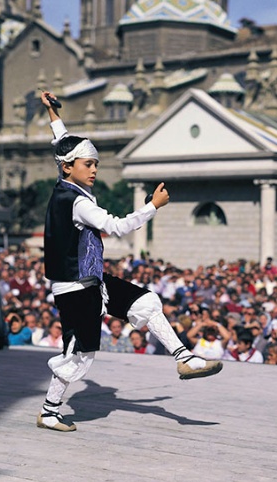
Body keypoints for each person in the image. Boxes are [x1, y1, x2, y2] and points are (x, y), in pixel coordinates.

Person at [36, 91, 223, 432]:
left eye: (95, 164)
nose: (94, 170)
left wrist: (51, 112)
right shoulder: (78, 203)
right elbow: (117, 226)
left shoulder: (67, 182)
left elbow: (62, 141)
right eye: (88, 164)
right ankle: (50, 410)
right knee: (78, 356)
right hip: (74, 288)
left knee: (147, 302)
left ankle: (185, 358)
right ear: (68, 167)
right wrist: (153, 206)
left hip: (93, 281)